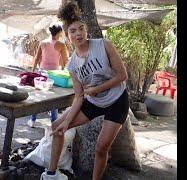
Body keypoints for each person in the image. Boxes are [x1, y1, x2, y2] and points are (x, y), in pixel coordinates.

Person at [40, 2, 129, 180]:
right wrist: (67, 123)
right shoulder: (72, 65)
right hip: (93, 102)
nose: (78, 33)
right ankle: (51, 174)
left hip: (117, 100)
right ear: (67, 36)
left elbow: (122, 76)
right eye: (73, 31)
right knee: (57, 126)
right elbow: (79, 96)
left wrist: (97, 89)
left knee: (101, 147)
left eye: (81, 29)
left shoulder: (104, 45)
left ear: (86, 30)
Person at [28, 24, 69, 128]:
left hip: (42, 72)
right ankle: (54, 122)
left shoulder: (43, 43)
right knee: (53, 98)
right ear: (59, 33)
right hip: (54, 75)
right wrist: (66, 74)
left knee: (38, 97)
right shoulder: (61, 45)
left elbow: (37, 58)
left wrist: (33, 72)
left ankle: (32, 121)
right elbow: (66, 62)